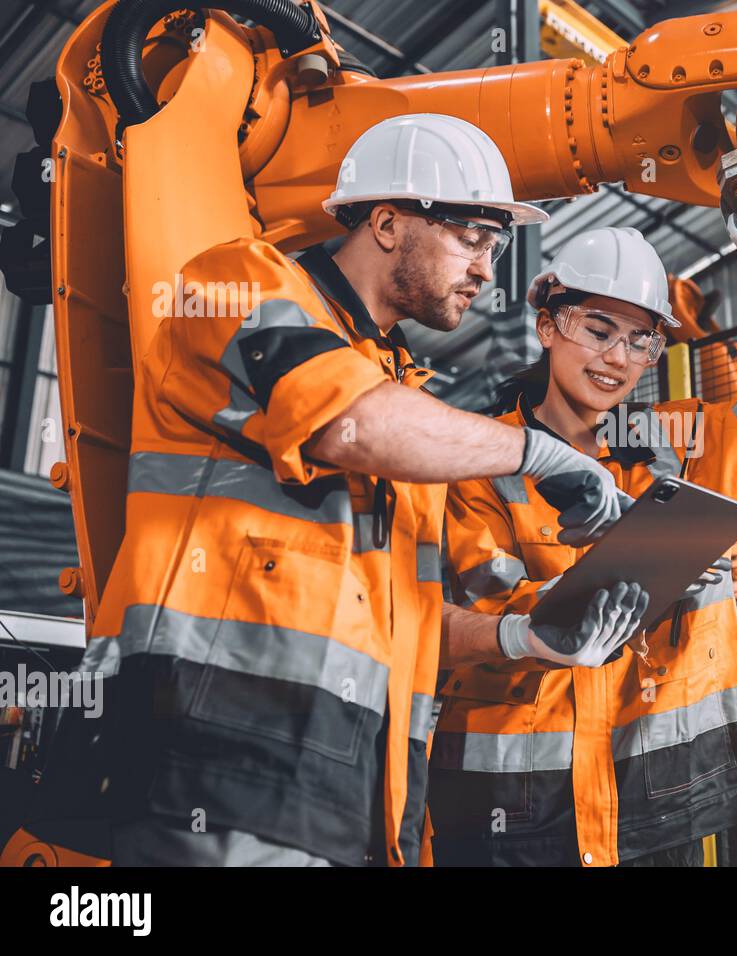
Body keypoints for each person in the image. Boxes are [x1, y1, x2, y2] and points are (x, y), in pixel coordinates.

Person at [45, 114, 648, 868]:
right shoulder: (238, 282)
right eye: (471, 238)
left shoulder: (408, 402)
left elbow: (414, 621)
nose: (487, 271)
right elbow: (345, 421)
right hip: (209, 764)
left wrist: (519, 636)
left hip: (356, 796)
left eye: (494, 248)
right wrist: (542, 453)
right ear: (388, 223)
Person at [431, 220, 737, 866]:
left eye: (640, 340)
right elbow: (485, 611)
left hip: (668, 803)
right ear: (548, 327)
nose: (618, 357)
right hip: (515, 810)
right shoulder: (486, 465)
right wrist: (606, 580)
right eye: (598, 330)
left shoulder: (679, 443)